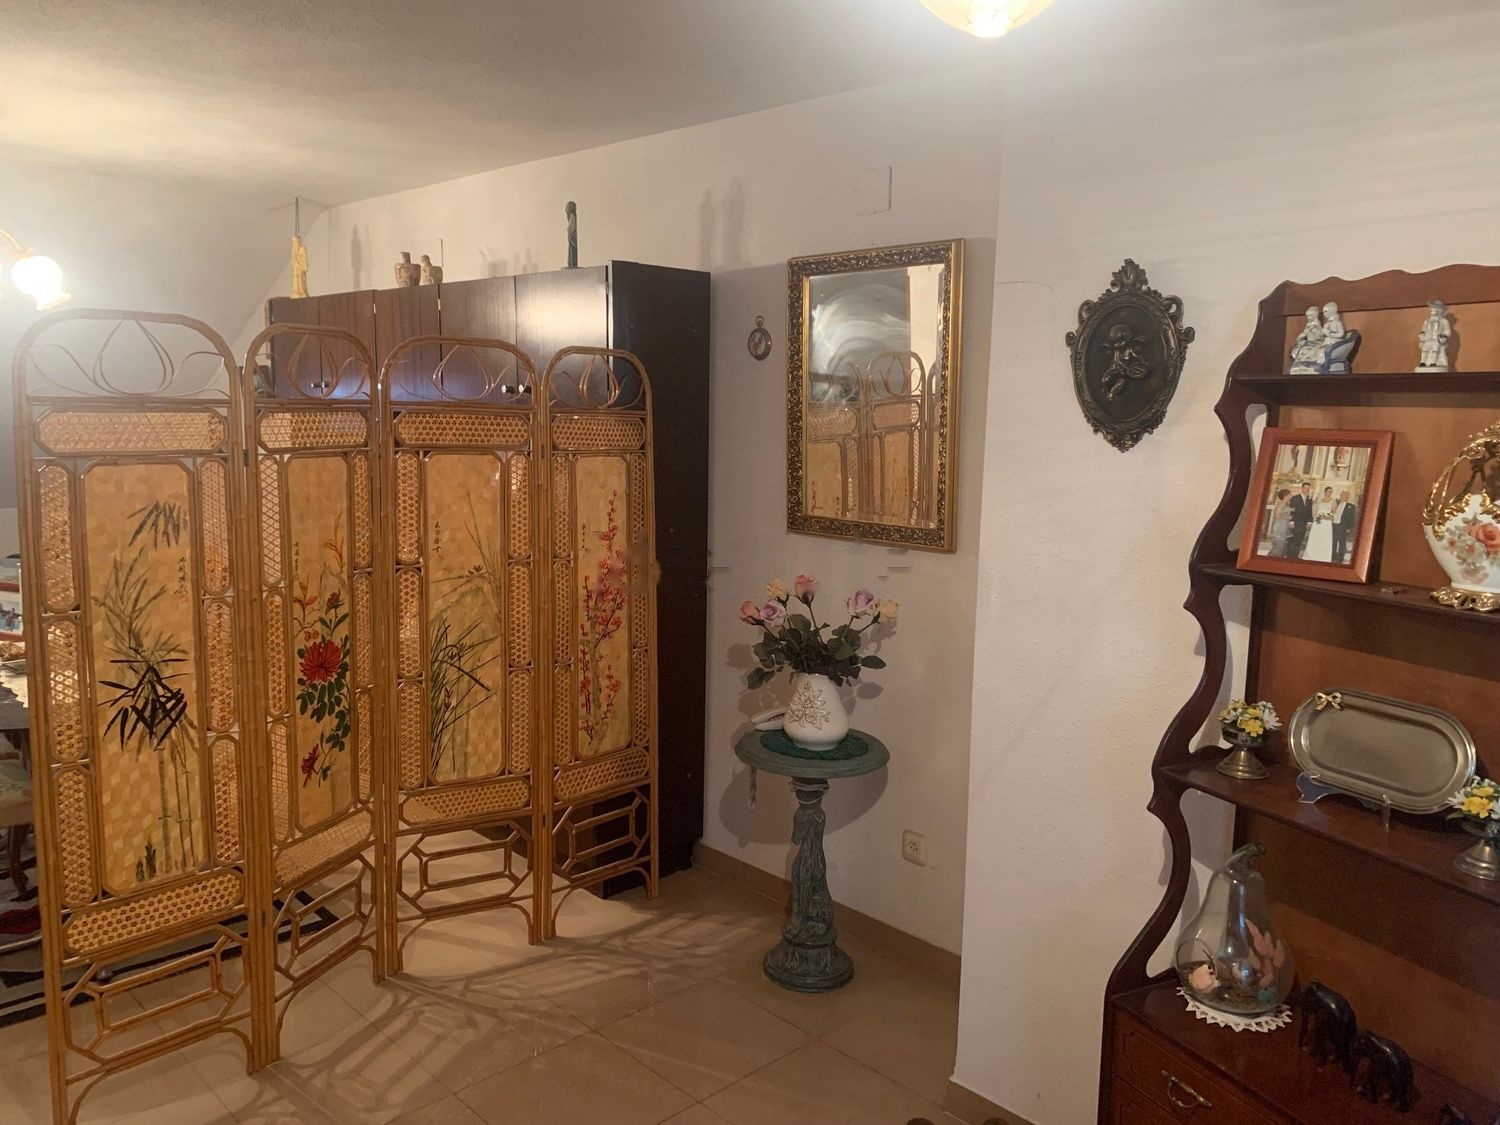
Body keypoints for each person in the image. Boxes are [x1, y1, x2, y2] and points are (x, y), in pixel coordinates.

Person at [1303, 486, 1337, 562]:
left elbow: (1334, 512)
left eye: (1331, 491)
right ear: (1325, 492)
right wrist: (1315, 519)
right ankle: (1311, 555)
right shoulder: (1319, 500)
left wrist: (1327, 517)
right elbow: (1315, 511)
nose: (1329, 493)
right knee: (1315, 537)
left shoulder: (1333, 501)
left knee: (1324, 539)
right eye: (1328, 491)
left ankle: (1324, 556)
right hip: (1318, 521)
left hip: (1326, 522)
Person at [1285, 482, 1315, 558]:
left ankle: (1295, 556)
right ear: (1302, 488)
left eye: (1308, 488)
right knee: (1293, 540)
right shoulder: (1295, 498)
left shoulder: (1309, 499)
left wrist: (1309, 522)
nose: (1307, 490)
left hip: (1304, 523)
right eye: (1305, 488)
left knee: (1300, 540)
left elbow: (1309, 511)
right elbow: (1291, 510)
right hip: (1295, 522)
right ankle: (1290, 557)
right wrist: (1291, 522)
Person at [1332, 489, 1358, 563]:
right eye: (1341, 495)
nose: (1342, 497)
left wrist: (1349, 528)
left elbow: (1352, 518)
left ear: (1347, 497)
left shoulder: (1351, 506)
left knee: (1342, 543)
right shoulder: (1336, 504)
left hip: (1343, 527)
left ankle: (1340, 558)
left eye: (1344, 495)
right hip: (1334, 525)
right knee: (1333, 542)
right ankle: (1333, 557)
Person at [1267, 488, 1294, 557]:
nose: (1291, 496)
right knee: (1278, 546)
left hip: (1284, 526)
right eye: (1289, 495)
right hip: (1280, 527)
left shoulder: (1286, 504)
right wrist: (1288, 517)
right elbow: (1277, 515)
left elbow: (1284, 513)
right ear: (1285, 496)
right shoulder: (1281, 504)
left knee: (1282, 546)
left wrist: (1289, 523)